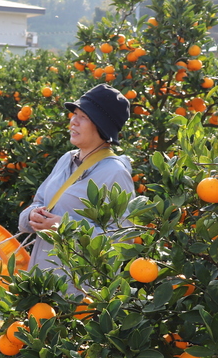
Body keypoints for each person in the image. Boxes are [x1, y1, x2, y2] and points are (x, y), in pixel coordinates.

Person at [18, 83, 134, 296]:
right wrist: (32, 215)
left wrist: (65, 227)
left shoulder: (115, 173)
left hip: (79, 292)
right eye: (74, 114)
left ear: (102, 125)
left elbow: (123, 240)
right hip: (42, 282)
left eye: (84, 117)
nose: (73, 121)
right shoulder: (66, 159)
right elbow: (40, 200)